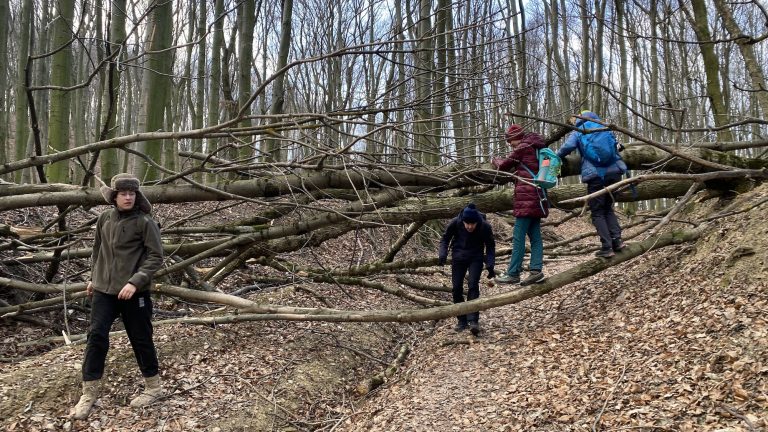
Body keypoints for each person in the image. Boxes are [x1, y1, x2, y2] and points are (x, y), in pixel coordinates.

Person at [72, 173, 165, 420]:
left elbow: (156, 257)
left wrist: (135, 282)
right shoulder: (104, 219)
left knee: (141, 338)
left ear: (137, 196)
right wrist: (94, 278)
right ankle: (89, 393)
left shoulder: (145, 222)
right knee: (97, 336)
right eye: (123, 194)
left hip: (135, 293)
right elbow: (97, 251)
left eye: (131, 194)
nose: (127, 197)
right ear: (114, 197)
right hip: (104, 291)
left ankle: (154, 387)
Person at [557, 111, 627, 258]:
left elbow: (566, 148)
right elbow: (617, 147)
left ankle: (607, 247)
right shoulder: (604, 127)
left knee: (597, 212)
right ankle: (617, 241)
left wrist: (556, 157)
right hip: (614, 173)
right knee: (608, 208)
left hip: (596, 175)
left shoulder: (580, 130)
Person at [491, 124, 549, 286]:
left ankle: (513, 273)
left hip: (526, 199)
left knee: (518, 237)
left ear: (517, 137)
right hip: (537, 197)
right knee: (536, 237)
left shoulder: (524, 147)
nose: (509, 144)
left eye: (510, 140)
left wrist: (494, 160)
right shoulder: (536, 146)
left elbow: (504, 165)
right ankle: (536, 271)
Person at [438, 203, 496, 336]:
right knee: (456, 288)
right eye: (467, 224)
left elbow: (490, 246)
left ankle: (473, 320)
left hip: (476, 257)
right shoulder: (455, 222)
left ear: (477, 221)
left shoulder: (485, 226)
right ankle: (461, 320)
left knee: (473, 285)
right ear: (463, 221)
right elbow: (445, 238)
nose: (469, 227)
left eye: (472, 224)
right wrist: (443, 253)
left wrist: (490, 264)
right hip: (458, 257)